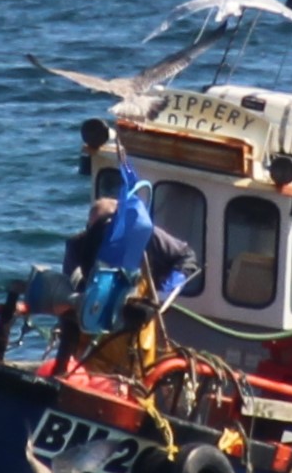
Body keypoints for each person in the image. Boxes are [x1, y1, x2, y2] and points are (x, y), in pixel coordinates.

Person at [60, 142, 197, 345]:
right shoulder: (78, 245)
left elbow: (186, 257)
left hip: (137, 327)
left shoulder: (144, 235)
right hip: (94, 321)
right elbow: (70, 284)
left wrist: (162, 292)